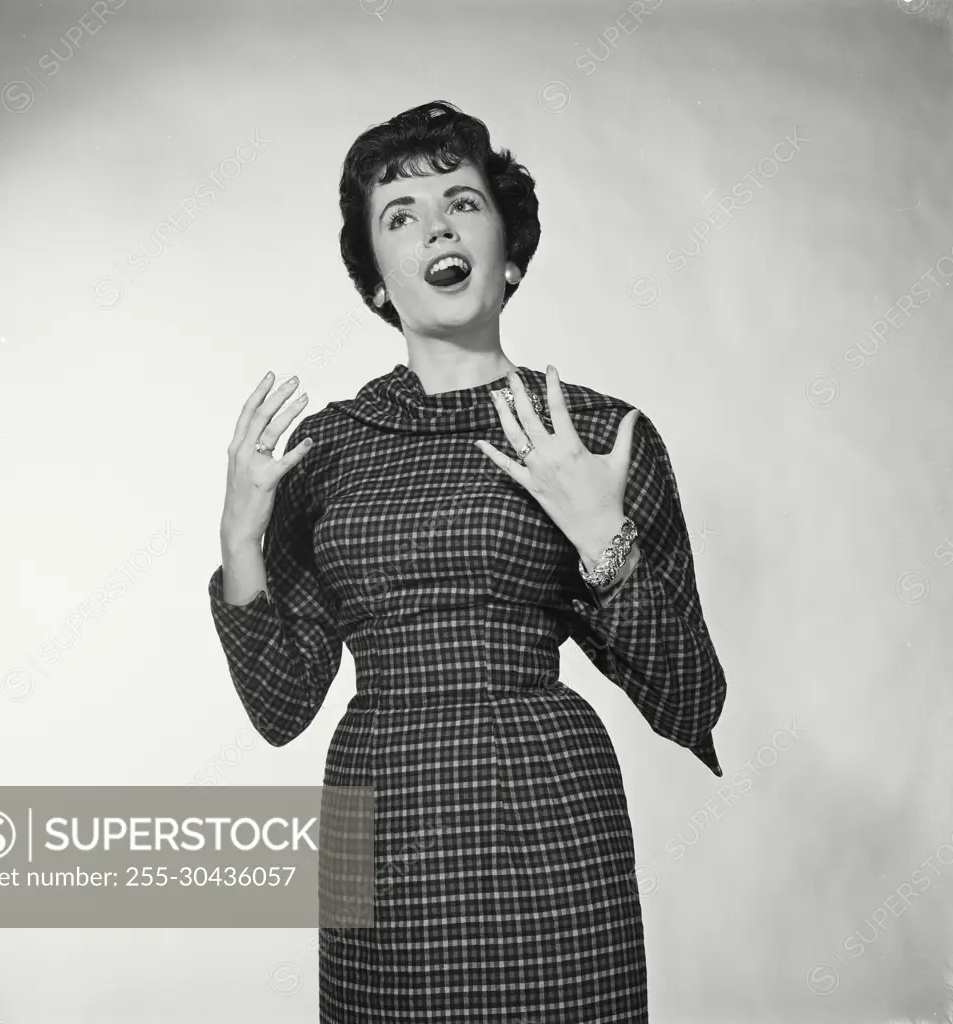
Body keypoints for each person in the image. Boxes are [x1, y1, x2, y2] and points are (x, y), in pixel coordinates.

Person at [208, 99, 727, 1023]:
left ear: (509, 253)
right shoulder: (325, 449)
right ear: (377, 284)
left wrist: (599, 538)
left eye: (463, 203)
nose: (436, 226)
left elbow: (690, 701)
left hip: (546, 805)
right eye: (399, 216)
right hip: (382, 806)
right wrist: (240, 538)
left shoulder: (598, 435)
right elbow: (280, 707)